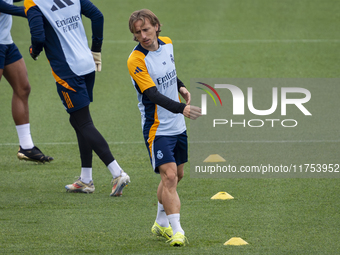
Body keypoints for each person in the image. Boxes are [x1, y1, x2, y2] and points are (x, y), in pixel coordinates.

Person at [24, 0, 130, 196]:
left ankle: (117, 173)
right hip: (87, 64)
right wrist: (96, 49)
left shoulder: (32, 2)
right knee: (78, 121)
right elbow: (98, 16)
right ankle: (86, 180)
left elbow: (38, 37)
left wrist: (34, 51)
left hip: (67, 72)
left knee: (83, 122)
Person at [127, 9, 201, 246]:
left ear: (157, 26)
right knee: (169, 176)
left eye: (146, 29)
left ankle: (160, 222)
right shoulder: (136, 60)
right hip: (157, 128)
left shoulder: (167, 44)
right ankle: (176, 230)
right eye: (138, 33)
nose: (143, 35)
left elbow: (169, 71)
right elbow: (152, 94)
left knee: (176, 176)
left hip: (177, 126)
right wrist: (183, 108)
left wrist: (180, 86)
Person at [0, 0, 53, 163]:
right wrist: (35, 12)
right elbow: (5, 6)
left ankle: (26, 146)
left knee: (23, 88)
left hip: (5, 41)